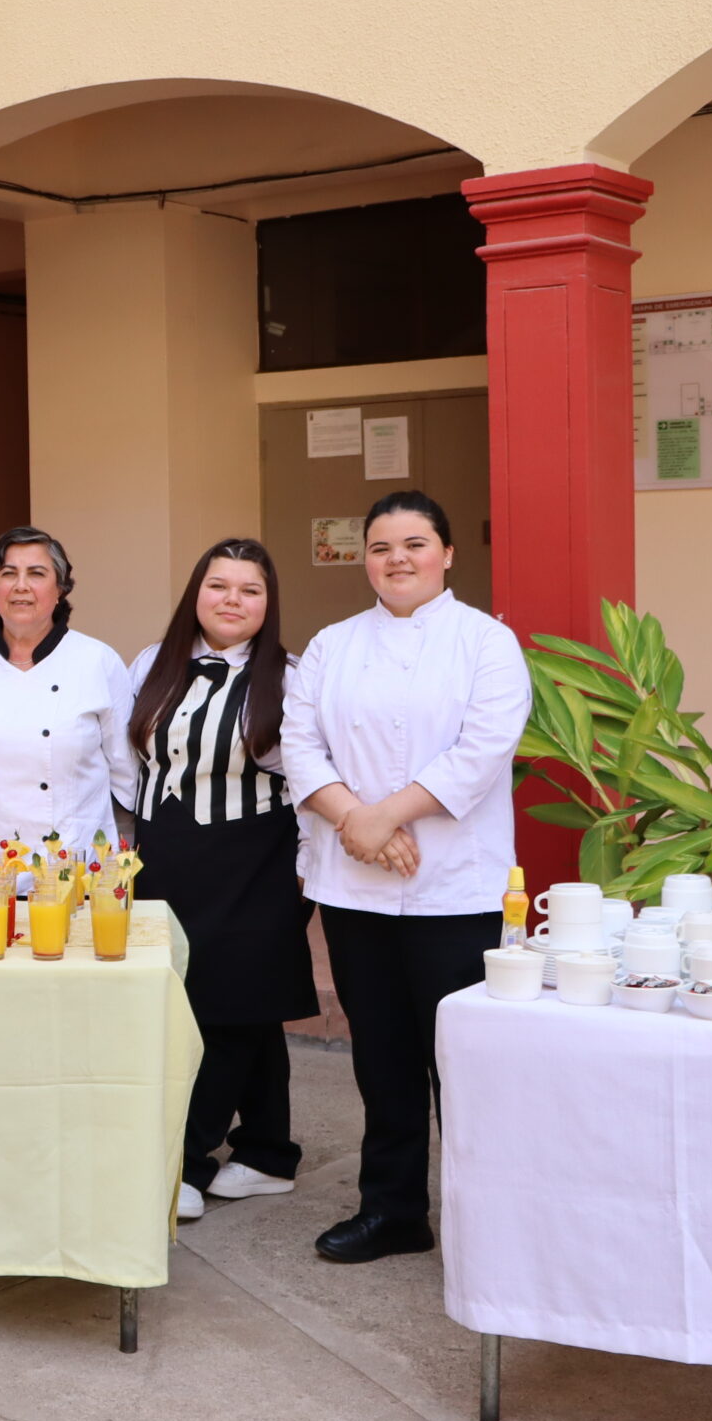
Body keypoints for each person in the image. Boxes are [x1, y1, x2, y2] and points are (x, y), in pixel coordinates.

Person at [281, 490, 531, 1265]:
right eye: (382, 546)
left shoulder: (487, 642)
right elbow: (299, 745)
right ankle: (392, 1210)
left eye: (415, 543)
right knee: (382, 1054)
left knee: (462, 1058)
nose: (398, 558)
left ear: (447, 553)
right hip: (354, 888)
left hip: (456, 888)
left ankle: (484, 1224)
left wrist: (382, 815)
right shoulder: (331, 645)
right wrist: (357, 819)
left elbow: (481, 751)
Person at [123, 538, 313, 1223]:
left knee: (226, 1007)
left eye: (249, 589)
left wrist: (308, 870)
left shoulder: (292, 678)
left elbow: (312, 777)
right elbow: (130, 764)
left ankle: (189, 1160)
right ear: (196, 593)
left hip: (255, 860)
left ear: (269, 602)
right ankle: (268, 1152)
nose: (232, 599)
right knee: (237, 1004)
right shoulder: (152, 662)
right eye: (219, 585)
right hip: (166, 857)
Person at [0, 525, 134, 874]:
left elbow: (126, 774)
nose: (21, 586)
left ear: (60, 589)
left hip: (70, 870)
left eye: (36, 574)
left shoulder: (97, 661)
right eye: (8, 573)